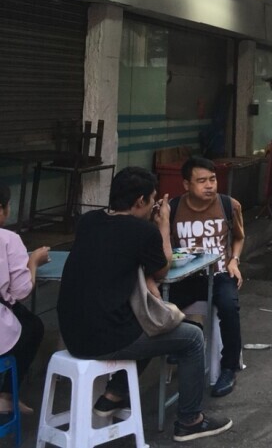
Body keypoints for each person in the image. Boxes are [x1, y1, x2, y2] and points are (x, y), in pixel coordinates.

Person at [57, 167, 232, 442]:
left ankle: (113, 396)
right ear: (140, 202)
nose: (154, 205)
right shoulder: (142, 231)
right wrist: (162, 225)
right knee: (192, 338)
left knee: (151, 326)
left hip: (72, 332)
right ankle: (190, 420)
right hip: (106, 338)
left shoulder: (88, 221)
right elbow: (162, 269)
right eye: (152, 199)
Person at [168, 157, 246, 398]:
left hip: (221, 273)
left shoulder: (228, 205)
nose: (210, 185)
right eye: (201, 181)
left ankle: (229, 367)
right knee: (161, 306)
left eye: (212, 179)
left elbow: (239, 238)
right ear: (186, 184)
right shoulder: (172, 209)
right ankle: (178, 345)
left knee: (228, 308)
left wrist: (234, 260)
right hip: (186, 277)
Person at [0, 185, 48, 415]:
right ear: (1, 210)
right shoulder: (8, 240)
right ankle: (7, 395)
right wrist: (34, 262)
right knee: (33, 327)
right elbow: (22, 291)